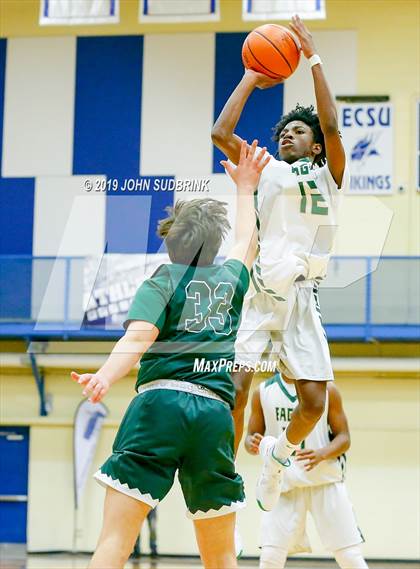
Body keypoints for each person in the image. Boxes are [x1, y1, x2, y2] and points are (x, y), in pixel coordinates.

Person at [70, 140, 270, 569]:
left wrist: (105, 375)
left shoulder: (162, 279)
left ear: (171, 243)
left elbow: (138, 337)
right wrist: (246, 187)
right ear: (214, 245)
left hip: (160, 406)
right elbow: (247, 242)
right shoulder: (230, 280)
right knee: (220, 555)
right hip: (214, 415)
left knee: (114, 541)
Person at [211, 15, 348, 511]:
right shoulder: (267, 171)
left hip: (303, 296)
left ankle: (279, 456)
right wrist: (252, 73)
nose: (287, 135)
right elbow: (221, 131)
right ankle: (221, 481)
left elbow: (331, 123)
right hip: (260, 291)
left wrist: (311, 56)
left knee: (313, 403)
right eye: (284, 130)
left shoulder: (329, 175)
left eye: (297, 131)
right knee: (235, 387)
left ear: (314, 144)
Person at [246, 373, 368, 569]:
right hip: (282, 483)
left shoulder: (328, 390)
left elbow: (344, 438)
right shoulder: (262, 392)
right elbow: (251, 437)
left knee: (349, 555)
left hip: (324, 479)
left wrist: (322, 453)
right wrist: (251, 442)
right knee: (270, 557)